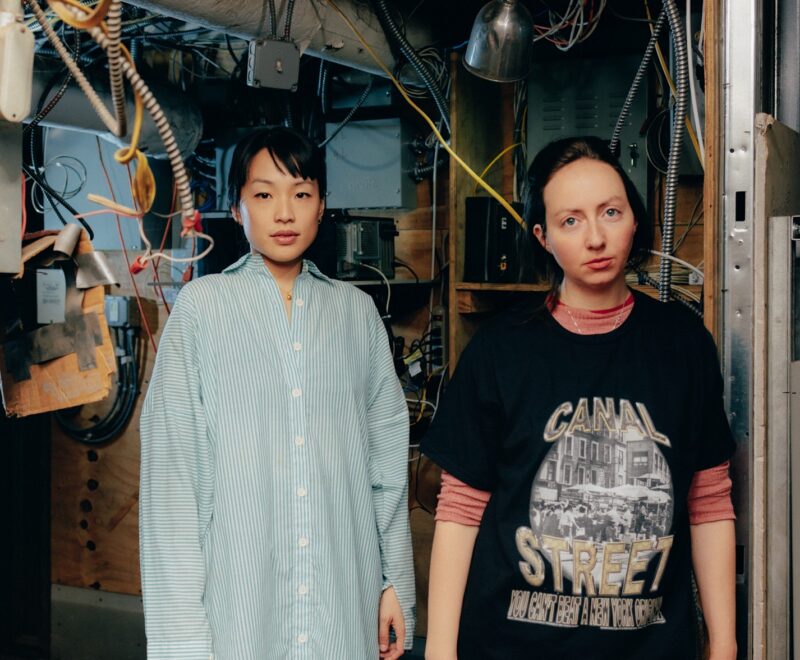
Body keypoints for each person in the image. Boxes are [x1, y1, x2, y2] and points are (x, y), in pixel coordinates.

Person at [422, 137, 736, 660]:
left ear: (634, 218)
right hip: (511, 645)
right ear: (543, 237)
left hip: (649, 647)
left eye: (611, 212)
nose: (595, 237)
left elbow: (708, 500)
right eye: (571, 221)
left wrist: (723, 644)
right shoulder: (500, 351)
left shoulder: (682, 344)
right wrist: (439, 650)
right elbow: (460, 508)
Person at [139, 127, 414, 660]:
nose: (284, 213)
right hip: (239, 607)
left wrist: (394, 583)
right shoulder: (202, 309)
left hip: (344, 597)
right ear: (237, 209)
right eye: (264, 195)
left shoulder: (356, 315)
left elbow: (386, 467)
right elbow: (172, 484)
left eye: (301, 194)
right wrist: (181, 641)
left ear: (322, 206)